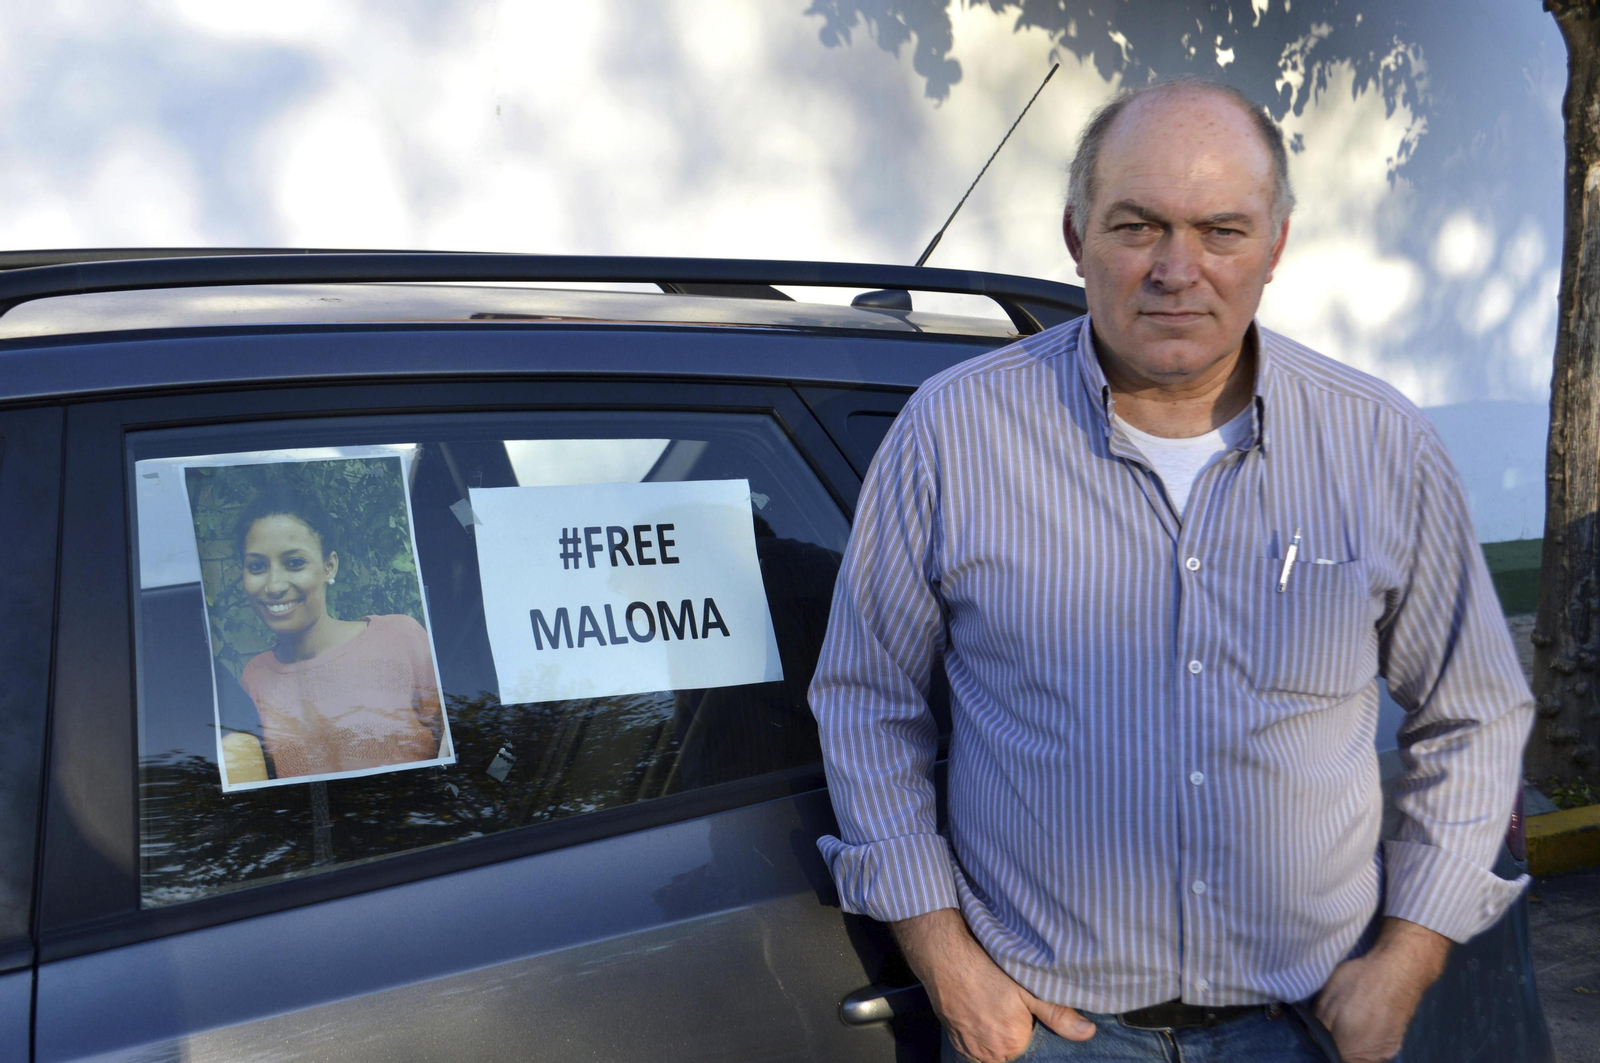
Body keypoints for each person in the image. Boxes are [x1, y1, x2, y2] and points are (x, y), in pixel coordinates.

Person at [809, 79, 1532, 1063]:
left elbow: (1477, 710)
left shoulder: (1379, 447)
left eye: (1221, 230)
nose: (1176, 269)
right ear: (1075, 234)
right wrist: (944, 959)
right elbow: (866, 700)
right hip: (1049, 1034)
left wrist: (1406, 958)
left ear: (1273, 246)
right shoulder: (952, 434)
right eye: (1138, 225)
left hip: (1301, 1029)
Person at [220, 482, 447, 784]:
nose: (274, 585)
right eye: (258, 566)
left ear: (329, 566)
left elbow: (457, 743)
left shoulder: (399, 638)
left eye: (295, 563)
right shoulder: (254, 678)